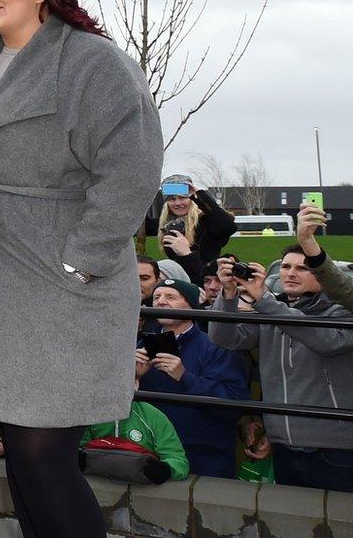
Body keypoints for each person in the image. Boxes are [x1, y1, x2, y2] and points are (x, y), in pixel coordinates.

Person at [0, 0, 163, 538]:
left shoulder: (91, 61)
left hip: (54, 287)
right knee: (22, 460)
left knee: (44, 457)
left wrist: (81, 263)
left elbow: (132, 169)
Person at [208, 248, 353, 490]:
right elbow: (225, 338)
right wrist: (229, 293)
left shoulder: (341, 312)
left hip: (335, 448)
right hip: (283, 444)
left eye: (302, 268)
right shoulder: (272, 309)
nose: (290, 274)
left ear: (324, 274)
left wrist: (265, 301)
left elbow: (325, 342)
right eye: (286, 267)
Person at [136, 278, 248, 477]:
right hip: (149, 450)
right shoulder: (140, 345)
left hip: (203, 457)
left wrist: (185, 377)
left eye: (171, 297)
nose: (161, 302)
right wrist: (135, 377)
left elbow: (233, 406)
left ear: (191, 305)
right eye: (156, 297)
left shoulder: (215, 347)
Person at [144, 174, 235, 285]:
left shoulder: (207, 220)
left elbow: (228, 226)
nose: (178, 203)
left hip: (206, 283)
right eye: (172, 199)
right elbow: (139, 224)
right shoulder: (167, 224)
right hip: (179, 283)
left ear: (191, 198)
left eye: (182, 197)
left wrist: (200, 195)